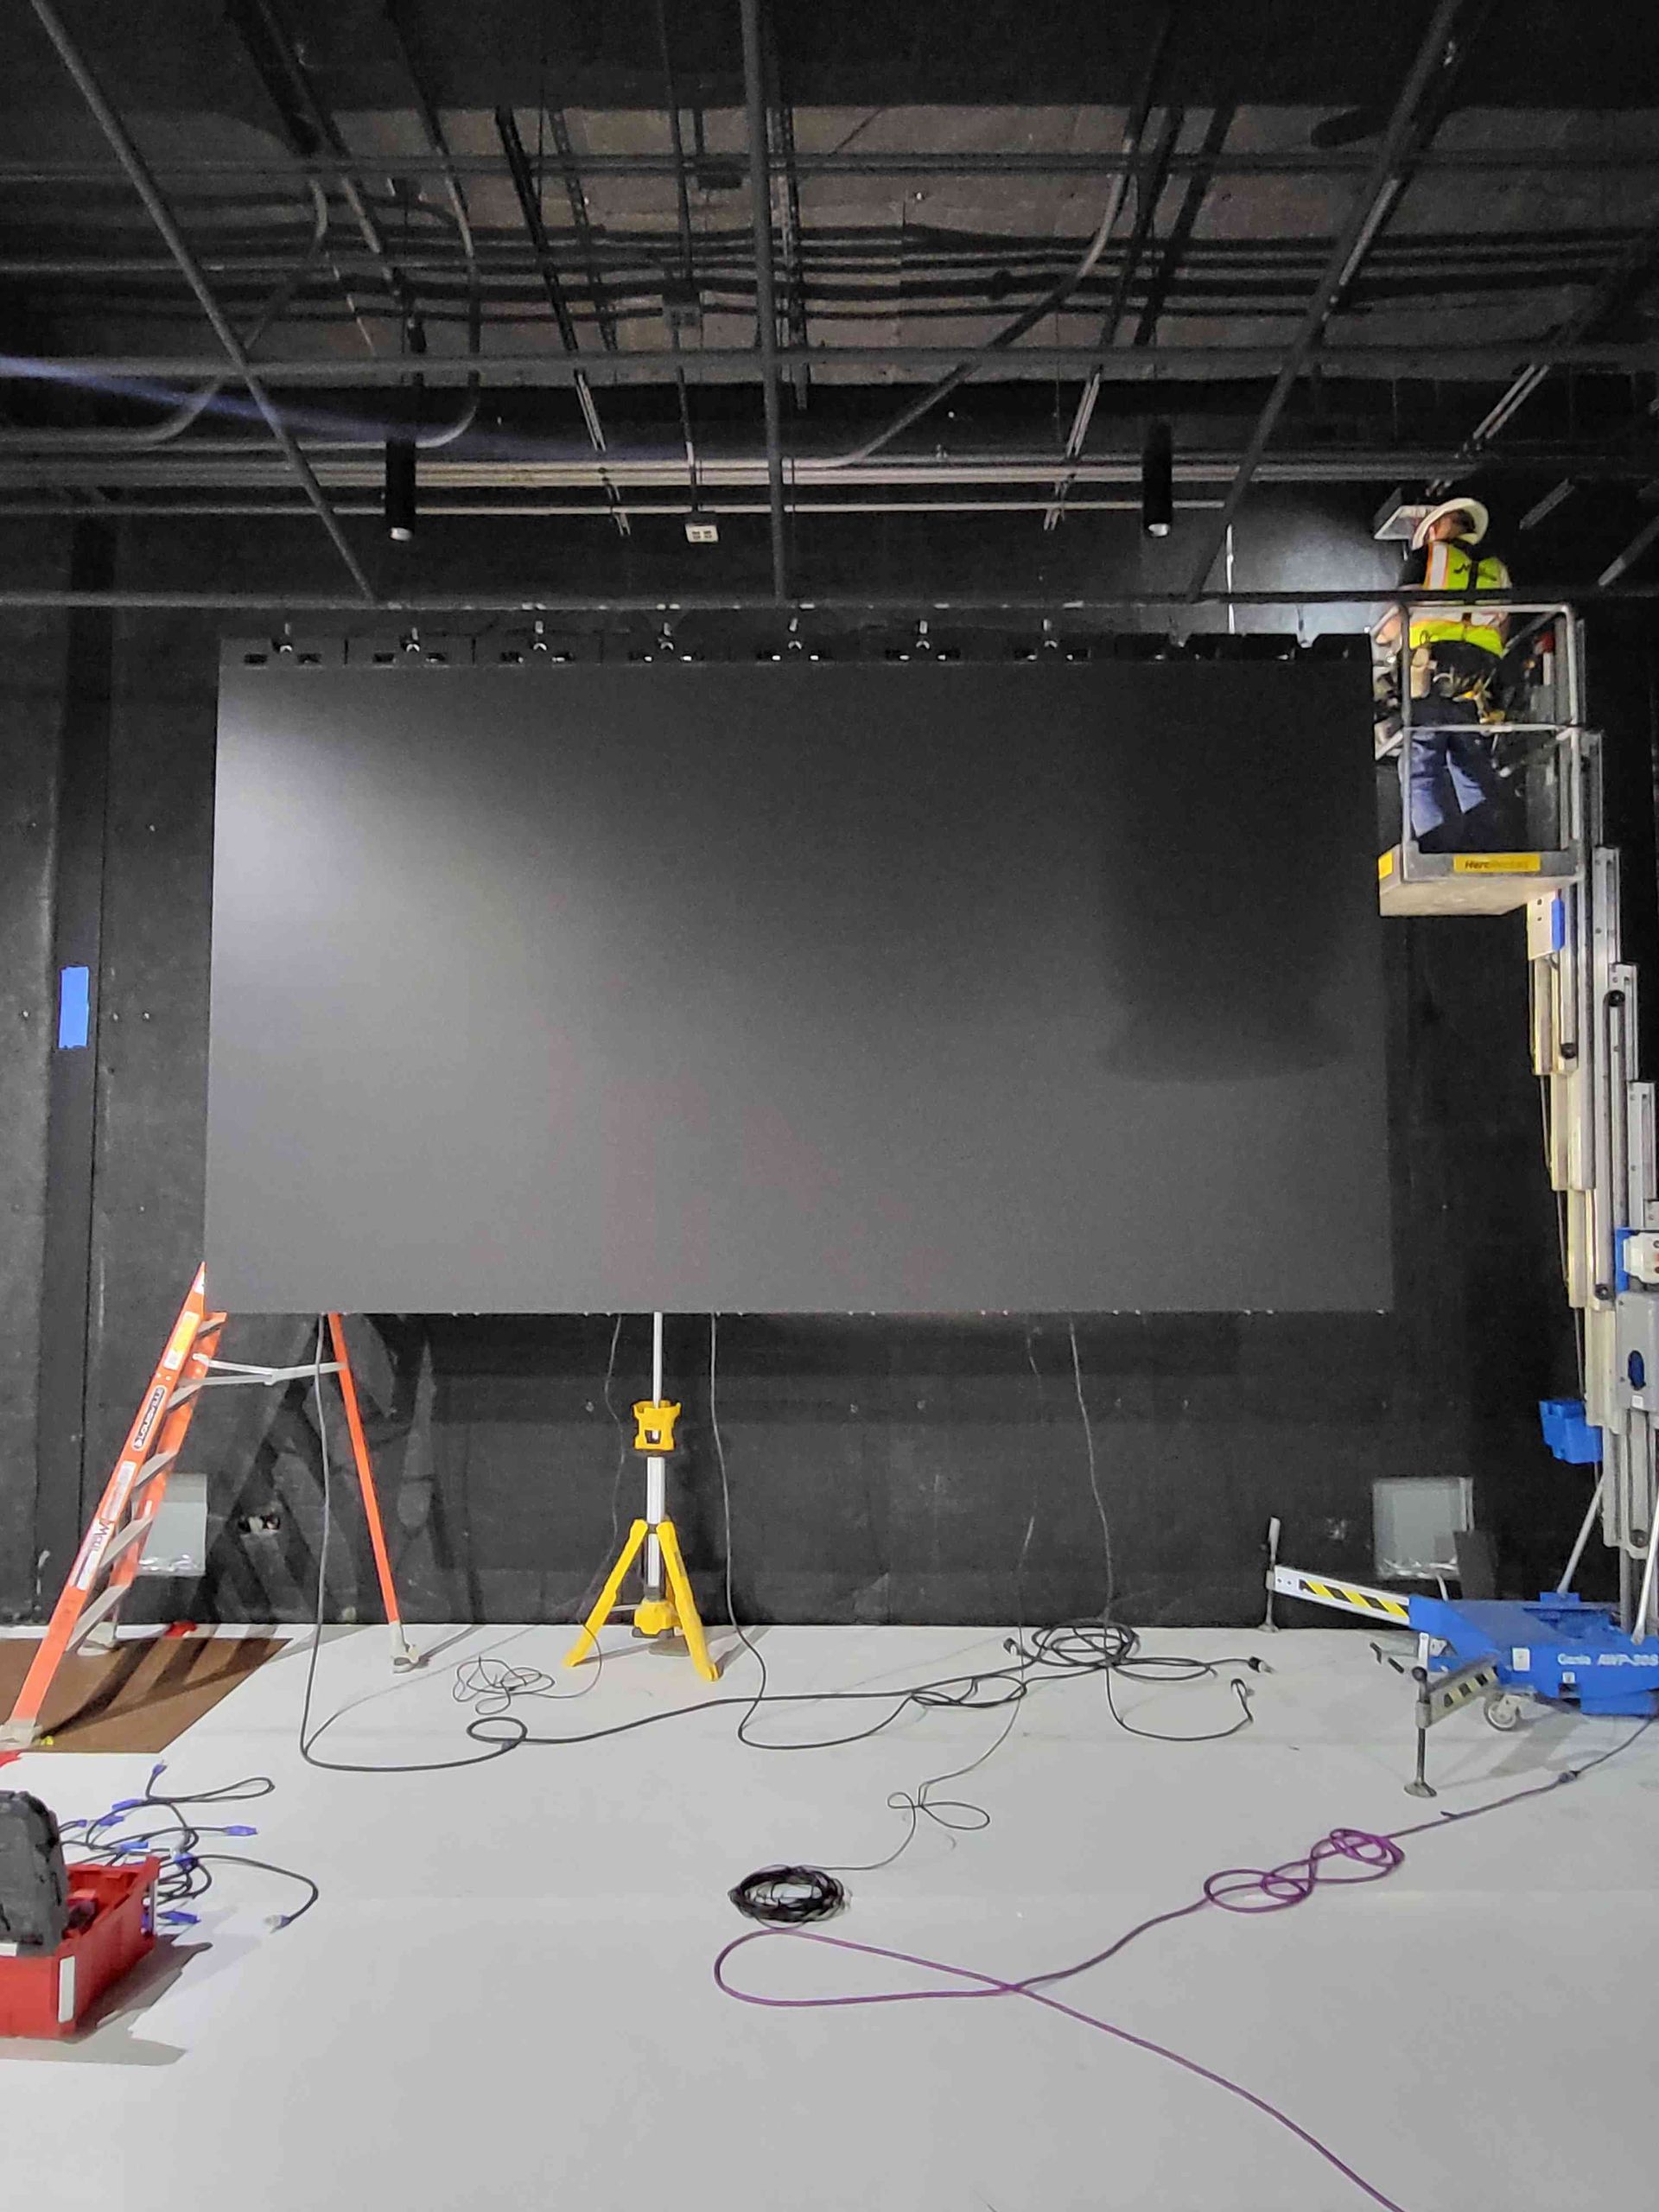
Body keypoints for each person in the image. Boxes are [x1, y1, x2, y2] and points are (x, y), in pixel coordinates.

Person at [1373, 496, 1514, 853]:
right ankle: (1488, 845)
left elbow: (1400, 614)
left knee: (1422, 762)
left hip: (1429, 669)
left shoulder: (1428, 557)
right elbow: (1503, 626)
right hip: (1475, 680)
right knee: (1470, 760)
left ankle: (1436, 849)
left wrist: (1381, 636)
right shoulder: (1496, 567)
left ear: (1438, 526)